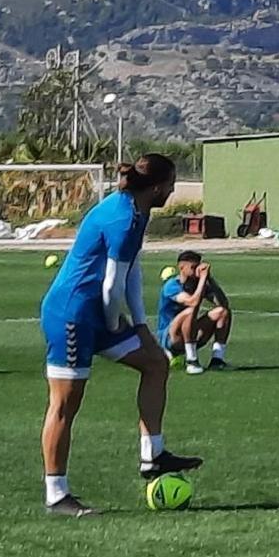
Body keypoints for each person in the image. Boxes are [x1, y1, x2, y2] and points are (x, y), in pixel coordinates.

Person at [39, 154, 203, 517]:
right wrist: (115, 326)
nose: (174, 190)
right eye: (172, 184)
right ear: (158, 187)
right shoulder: (123, 217)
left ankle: (153, 455)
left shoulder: (136, 211)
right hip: (73, 315)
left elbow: (131, 272)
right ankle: (56, 494)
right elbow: (112, 286)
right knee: (65, 405)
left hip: (98, 314)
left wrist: (141, 327)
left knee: (156, 363)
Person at [157, 251, 233, 375]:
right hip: (170, 337)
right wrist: (202, 280)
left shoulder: (197, 284)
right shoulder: (172, 286)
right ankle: (191, 360)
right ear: (181, 267)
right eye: (192, 267)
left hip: (191, 332)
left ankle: (217, 359)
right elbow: (193, 302)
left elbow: (223, 303)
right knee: (190, 310)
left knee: (222, 312)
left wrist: (209, 278)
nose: (196, 271)